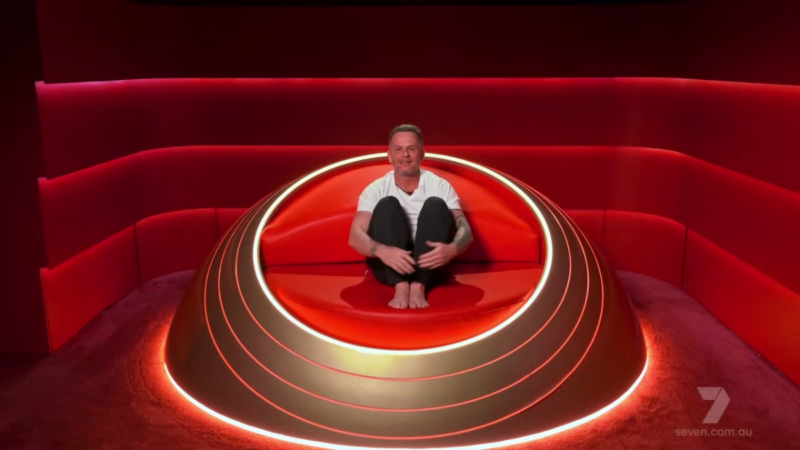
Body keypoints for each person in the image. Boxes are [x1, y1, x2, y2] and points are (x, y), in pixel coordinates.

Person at [348, 124, 474, 309]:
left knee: (435, 203)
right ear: (390, 156)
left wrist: (453, 248)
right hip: (388, 263)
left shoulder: (439, 185)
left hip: (430, 264)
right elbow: (355, 236)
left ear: (422, 154)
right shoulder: (376, 188)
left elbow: (465, 229)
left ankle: (418, 285)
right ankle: (400, 286)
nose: (405, 155)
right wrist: (381, 250)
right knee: (387, 203)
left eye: (411, 149)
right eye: (398, 149)